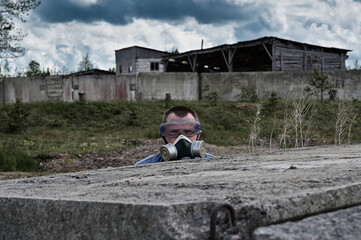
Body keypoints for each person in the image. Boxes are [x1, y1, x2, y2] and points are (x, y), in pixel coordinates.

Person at [135, 106, 213, 165]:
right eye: (173, 132)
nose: (181, 138)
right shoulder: (143, 167)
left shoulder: (213, 164)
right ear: (163, 136)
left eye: (188, 131)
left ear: (198, 135)